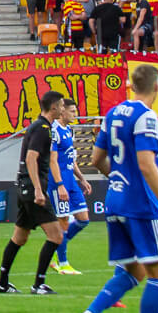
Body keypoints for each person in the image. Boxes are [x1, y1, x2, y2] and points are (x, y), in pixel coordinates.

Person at [71, 64, 158, 313]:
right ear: (156, 88)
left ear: (132, 86)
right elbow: (146, 163)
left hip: (115, 202)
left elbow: (96, 159)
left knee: (135, 271)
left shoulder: (113, 114)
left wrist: (119, 180)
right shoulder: (147, 117)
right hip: (140, 204)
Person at [0, 90, 66, 295]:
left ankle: (2, 282)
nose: (62, 109)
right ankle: (38, 284)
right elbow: (31, 158)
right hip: (32, 189)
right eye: (61, 105)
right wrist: (38, 189)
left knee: (20, 237)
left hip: (25, 187)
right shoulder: (43, 128)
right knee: (56, 236)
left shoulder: (42, 127)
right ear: (53, 107)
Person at [51, 97, 92, 276]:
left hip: (71, 181)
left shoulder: (69, 130)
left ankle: (53, 247)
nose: (75, 114)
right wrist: (59, 184)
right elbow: (52, 160)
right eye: (73, 111)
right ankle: (64, 263)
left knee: (83, 219)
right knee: (63, 222)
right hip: (59, 182)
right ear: (63, 111)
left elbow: (70, 158)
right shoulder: (54, 131)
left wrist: (82, 178)